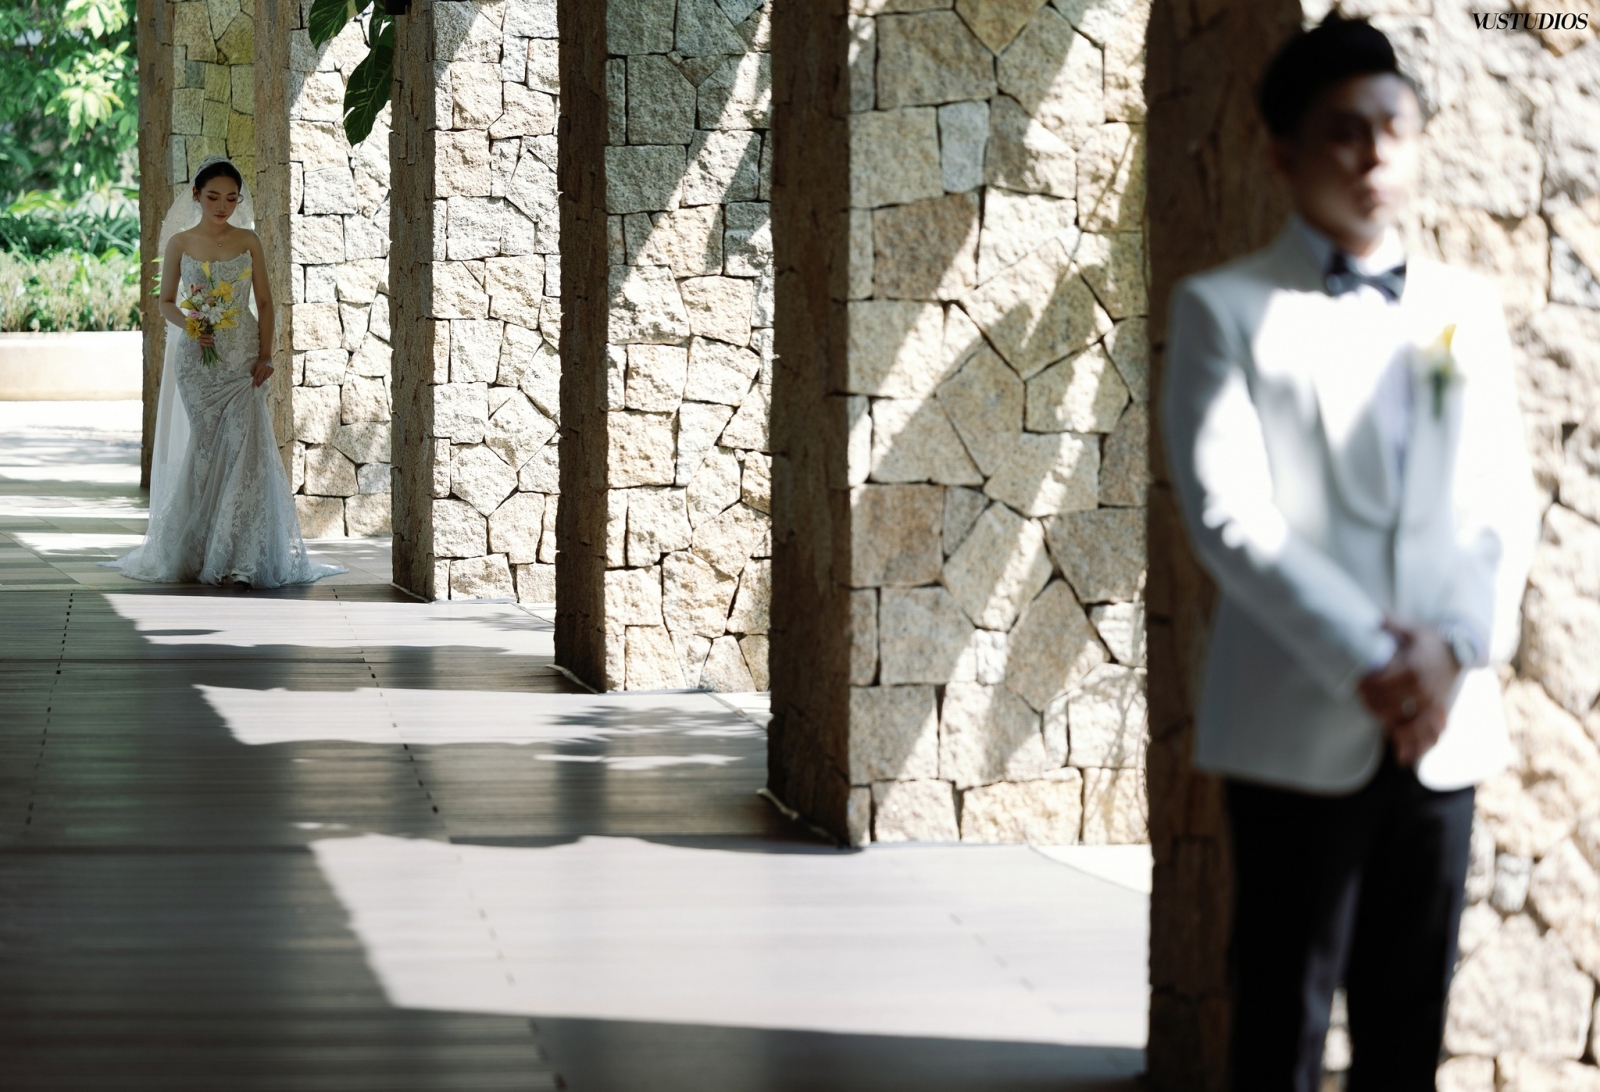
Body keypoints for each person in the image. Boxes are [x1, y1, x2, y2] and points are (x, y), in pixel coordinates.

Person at [1159, 15, 1539, 1091]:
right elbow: (1229, 514)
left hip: (1443, 720)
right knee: (1279, 1019)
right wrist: (1374, 658)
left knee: (1408, 1025)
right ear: (1280, 154)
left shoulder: (1464, 311)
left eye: (1393, 127)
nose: (1374, 154)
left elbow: (1499, 501)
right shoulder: (1223, 309)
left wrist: (1451, 647)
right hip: (1297, 714)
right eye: (1343, 131)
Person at [106, 156, 344, 589]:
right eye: (214, 197)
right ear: (196, 195)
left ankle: (242, 558)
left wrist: (267, 355)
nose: (222, 206)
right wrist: (193, 326)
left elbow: (265, 303)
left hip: (243, 359)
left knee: (246, 447)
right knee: (207, 449)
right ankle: (201, 551)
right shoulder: (180, 243)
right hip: (197, 362)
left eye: (231, 199)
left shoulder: (249, 241)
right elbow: (165, 303)